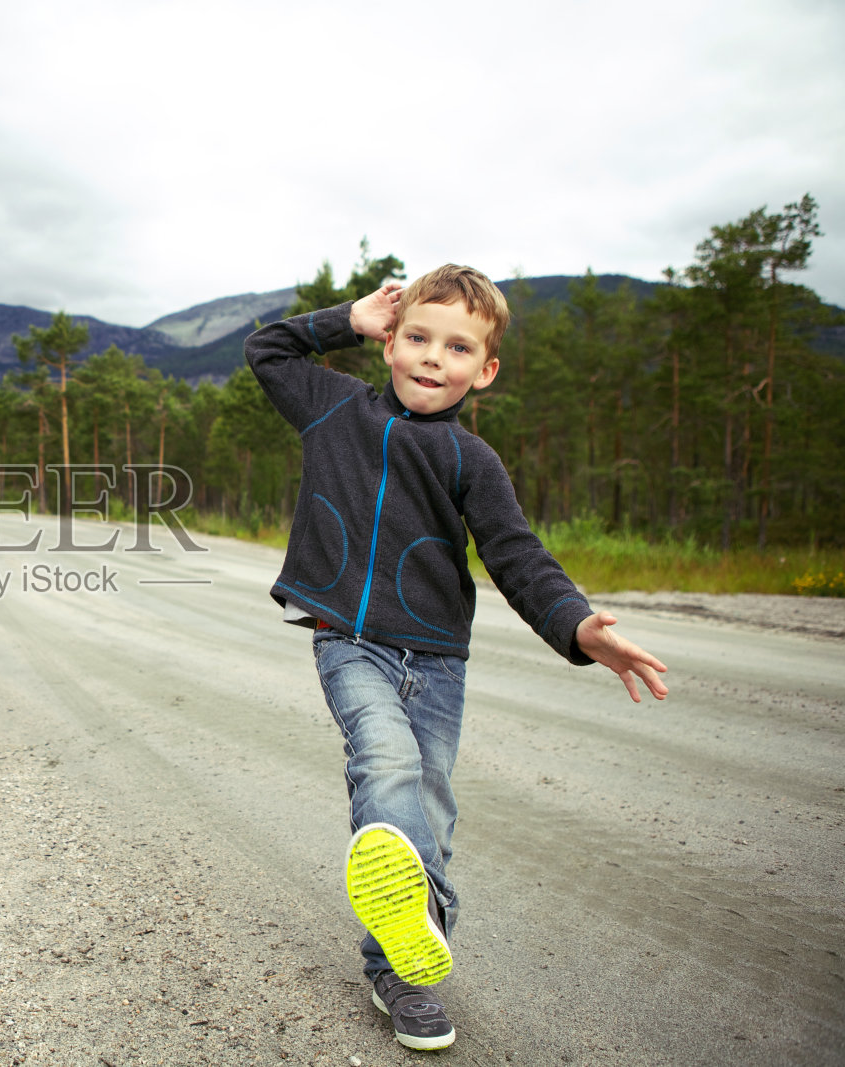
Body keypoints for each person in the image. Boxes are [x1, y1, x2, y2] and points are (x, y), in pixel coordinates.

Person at [245, 265, 669, 1051]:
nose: (433, 358)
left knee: (430, 811)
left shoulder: (472, 460)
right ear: (389, 344)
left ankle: (405, 957)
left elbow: (518, 554)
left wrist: (578, 626)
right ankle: (411, 951)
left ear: (487, 369)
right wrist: (348, 318)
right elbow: (266, 351)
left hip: (438, 659)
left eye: (458, 347)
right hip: (349, 641)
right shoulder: (333, 408)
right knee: (387, 763)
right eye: (417, 337)